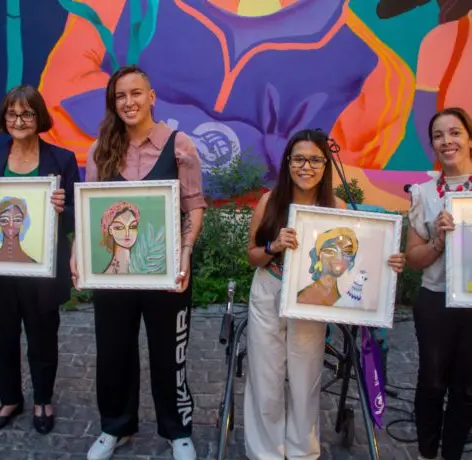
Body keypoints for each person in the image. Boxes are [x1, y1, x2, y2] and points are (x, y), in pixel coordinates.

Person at [70, 65, 206, 460]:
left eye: (135, 93)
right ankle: (116, 426)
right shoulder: (101, 149)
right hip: (114, 276)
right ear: (113, 103)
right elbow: (90, 209)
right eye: (120, 96)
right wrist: (79, 252)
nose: (128, 102)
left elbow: (193, 206)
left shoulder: (179, 145)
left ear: (151, 97)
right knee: (114, 352)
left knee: (169, 353)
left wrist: (185, 252)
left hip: (166, 272)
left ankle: (177, 430)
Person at [243, 129, 406, 460]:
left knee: (305, 380)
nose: (307, 167)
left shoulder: (336, 206)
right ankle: (266, 453)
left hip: (311, 301)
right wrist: (274, 246)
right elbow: (251, 255)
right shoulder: (269, 201)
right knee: (265, 378)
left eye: (315, 160)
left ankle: (303, 452)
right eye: (299, 159)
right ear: (288, 162)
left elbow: (358, 257)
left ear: (326, 165)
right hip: (270, 290)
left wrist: (388, 262)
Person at [0, 84, 80, 435]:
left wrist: (61, 209)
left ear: (39, 117)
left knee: (43, 340)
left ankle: (43, 399)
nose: (19, 120)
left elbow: (76, 217)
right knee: (2, 339)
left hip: (42, 272)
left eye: (27, 113)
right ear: (4, 118)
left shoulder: (62, 160)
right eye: (12, 113)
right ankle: (9, 399)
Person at [406, 107, 472, 460]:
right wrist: (439, 241)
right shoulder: (424, 193)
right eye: (438, 135)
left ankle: (452, 454)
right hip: (435, 300)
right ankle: (427, 454)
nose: (447, 141)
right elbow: (414, 259)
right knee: (431, 383)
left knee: (467, 389)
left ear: (469, 139)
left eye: (455, 132)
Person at [0, 197, 36, 263]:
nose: (11, 225)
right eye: (4, 220)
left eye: (17, 220)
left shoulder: (33, 264)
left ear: (23, 223)